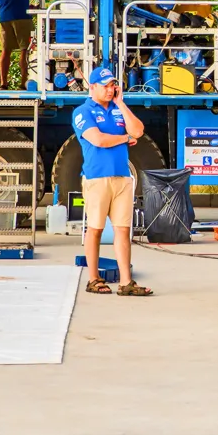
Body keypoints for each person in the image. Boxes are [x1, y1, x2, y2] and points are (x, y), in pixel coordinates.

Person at [74, 67, 151, 296]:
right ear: (93, 86)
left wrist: (121, 104)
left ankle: (126, 282)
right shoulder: (83, 111)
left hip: (122, 178)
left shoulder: (117, 110)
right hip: (97, 178)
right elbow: (98, 139)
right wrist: (124, 138)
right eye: (105, 85)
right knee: (95, 229)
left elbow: (138, 130)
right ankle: (94, 278)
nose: (110, 90)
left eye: (112, 85)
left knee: (122, 229)